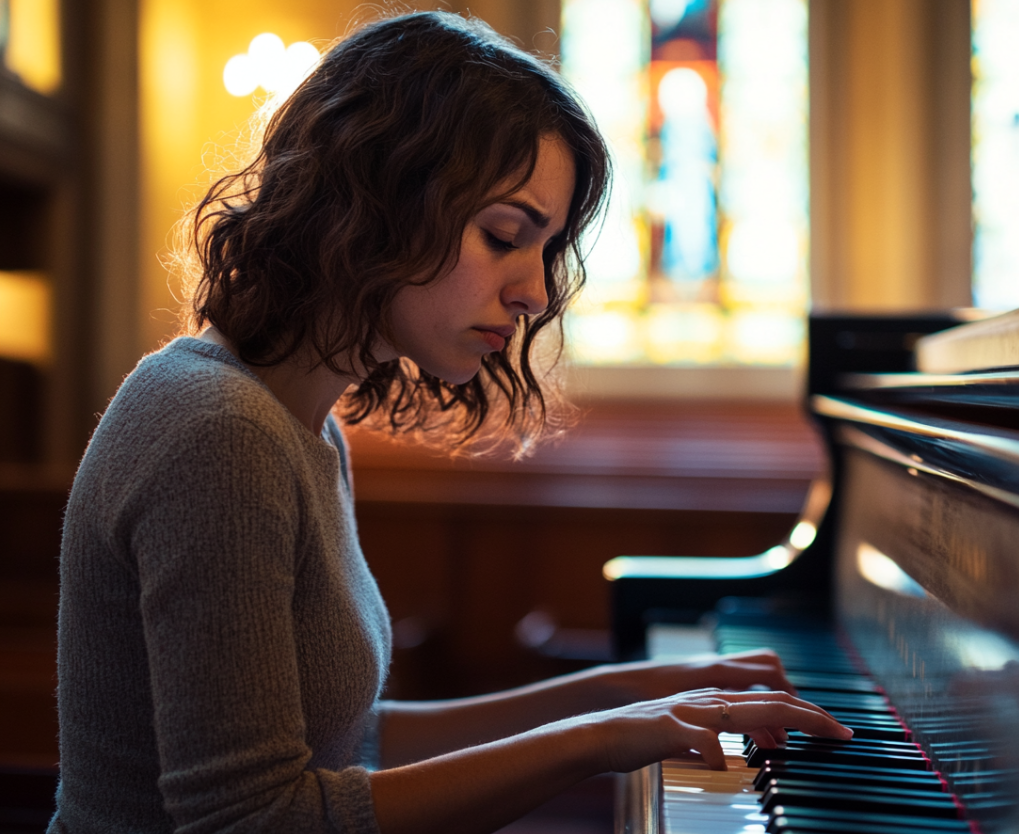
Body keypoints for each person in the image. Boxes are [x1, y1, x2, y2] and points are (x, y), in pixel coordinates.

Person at [50, 11, 851, 834]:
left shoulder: (298, 424)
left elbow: (347, 742)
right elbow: (251, 821)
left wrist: (630, 692)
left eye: (543, 249)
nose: (536, 292)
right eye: (505, 235)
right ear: (378, 198)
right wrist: (596, 741)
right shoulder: (219, 432)